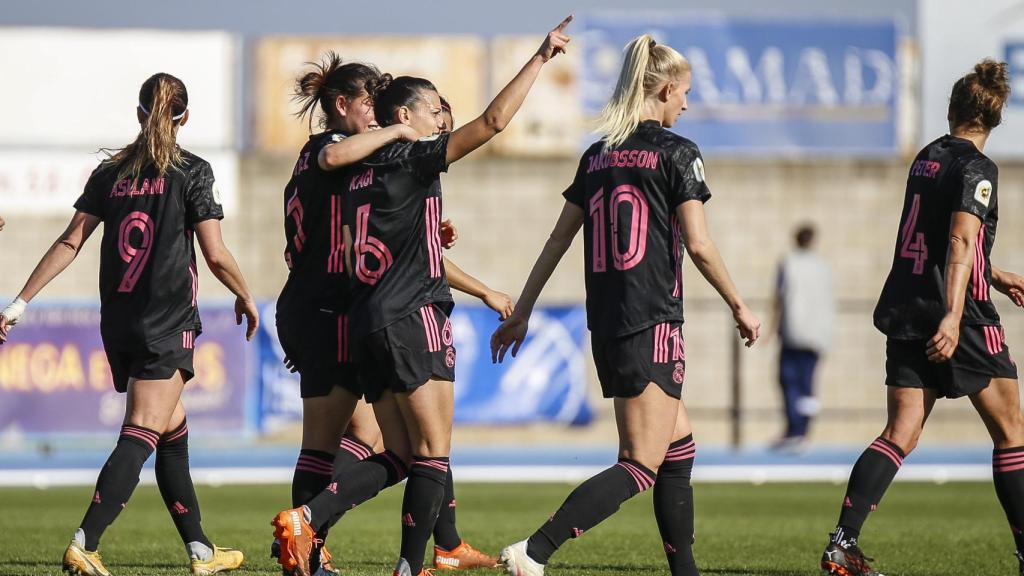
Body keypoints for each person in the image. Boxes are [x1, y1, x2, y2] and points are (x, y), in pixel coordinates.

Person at [271, 16, 572, 576]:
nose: (441, 115)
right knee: (429, 453)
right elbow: (493, 121)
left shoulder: (355, 173)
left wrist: (435, 242)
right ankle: (376, 549)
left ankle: (323, 529)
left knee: (395, 451)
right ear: (402, 117)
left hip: (360, 317)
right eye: (433, 107)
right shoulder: (389, 154)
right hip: (405, 315)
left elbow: (356, 232)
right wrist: (539, 57)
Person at [490, 34, 760, 576]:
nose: (686, 103)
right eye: (683, 92)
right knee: (640, 463)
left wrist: (523, 309)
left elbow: (557, 240)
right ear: (662, 89)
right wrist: (739, 303)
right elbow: (699, 244)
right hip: (653, 319)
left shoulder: (597, 157)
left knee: (677, 449)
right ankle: (534, 552)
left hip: (609, 324)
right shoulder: (678, 153)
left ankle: (685, 570)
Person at [0, 73, 258, 576]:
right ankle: (85, 540)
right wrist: (246, 294)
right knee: (142, 429)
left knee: (172, 428)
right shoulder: (193, 172)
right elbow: (215, 253)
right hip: (168, 321)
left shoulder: (110, 173)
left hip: (118, 322)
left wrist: (19, 303)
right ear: (185, 117)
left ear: (139, 114)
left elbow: (70, 241)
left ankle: (201, 552)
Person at [819, 60, 1024, 576]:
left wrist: (994, 273)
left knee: (900, 433)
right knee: (1012, 431)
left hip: (908, 304)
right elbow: (958, 239)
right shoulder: (980, 169)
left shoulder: (927, 157)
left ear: (952, 109)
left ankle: (842, 543)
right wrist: (955, 314)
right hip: (961, 316)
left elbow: (936, 239)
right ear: (994, 121)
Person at [771, 223, 834, 452]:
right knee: (808, 384)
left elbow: (779, 298)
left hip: (793, 331)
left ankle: (795, 430)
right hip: (816, 334)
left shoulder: (788, 263)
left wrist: (772, 329)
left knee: (789, 381)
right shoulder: (823, 266)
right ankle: (804, 432)